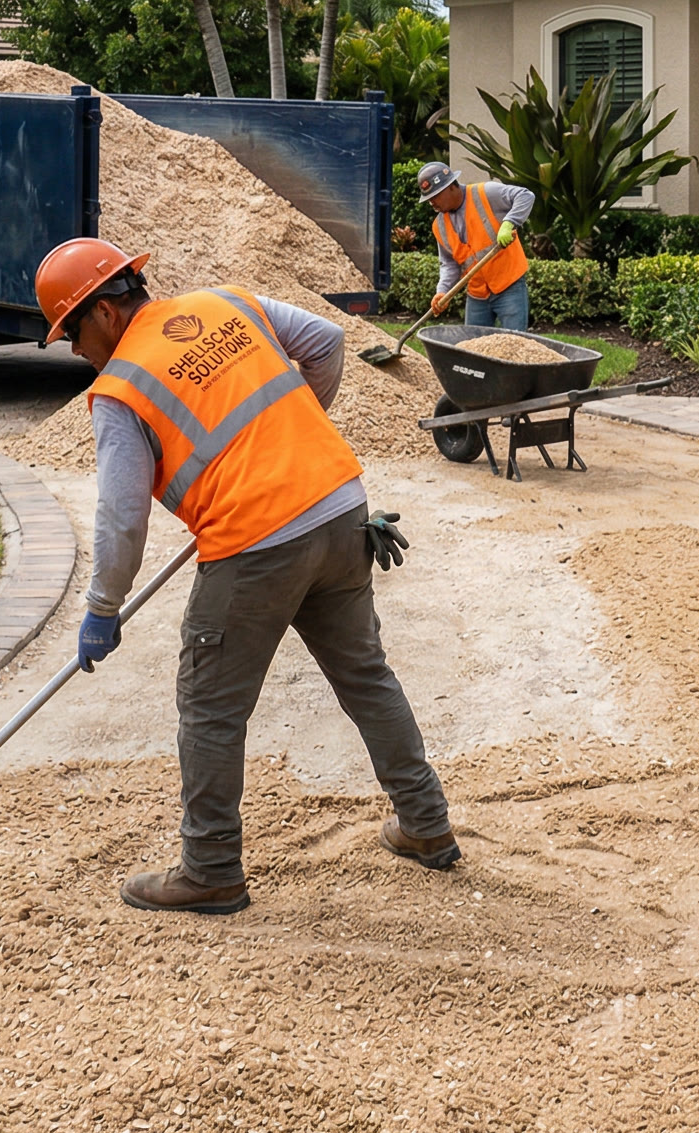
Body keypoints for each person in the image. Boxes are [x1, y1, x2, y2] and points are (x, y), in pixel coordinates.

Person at [34, 237, 459, 914]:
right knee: (366, 675)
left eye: (72, 334)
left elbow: (121, 520)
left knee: (210, 707)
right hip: (341, 505)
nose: (76, 351)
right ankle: (426, 824)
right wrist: (290, 441)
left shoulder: (119, 392)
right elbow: (325, 341)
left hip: (256, 540)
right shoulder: (224, 302)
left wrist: (102, 608)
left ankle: (209, 869)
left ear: (106, 314)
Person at [417, 160, 534, 330]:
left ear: (451, 186)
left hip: (509, 286)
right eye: (428, 198)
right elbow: (449, 264)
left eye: (435, 196)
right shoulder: (439, 226)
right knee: (472, 347)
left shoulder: (486, 193)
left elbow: (525, 195)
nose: (432, 202)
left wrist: (509, 222)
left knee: (515, 344)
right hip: (477, 295)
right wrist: (442, 291)